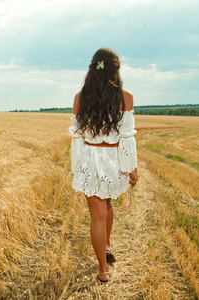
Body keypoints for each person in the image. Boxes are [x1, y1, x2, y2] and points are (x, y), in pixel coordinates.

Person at [68, 47, 138, 283]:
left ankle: (102, 269)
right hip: (113, 159)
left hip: (90, 157)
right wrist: (132, 167)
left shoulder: (80, 98)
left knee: (97, 215)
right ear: (115, 69)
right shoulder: (125, 97)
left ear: (92, 68)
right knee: (107, 205)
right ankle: (106, 247)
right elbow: (127, 136)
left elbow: (77, 136)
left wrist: (77, 167)